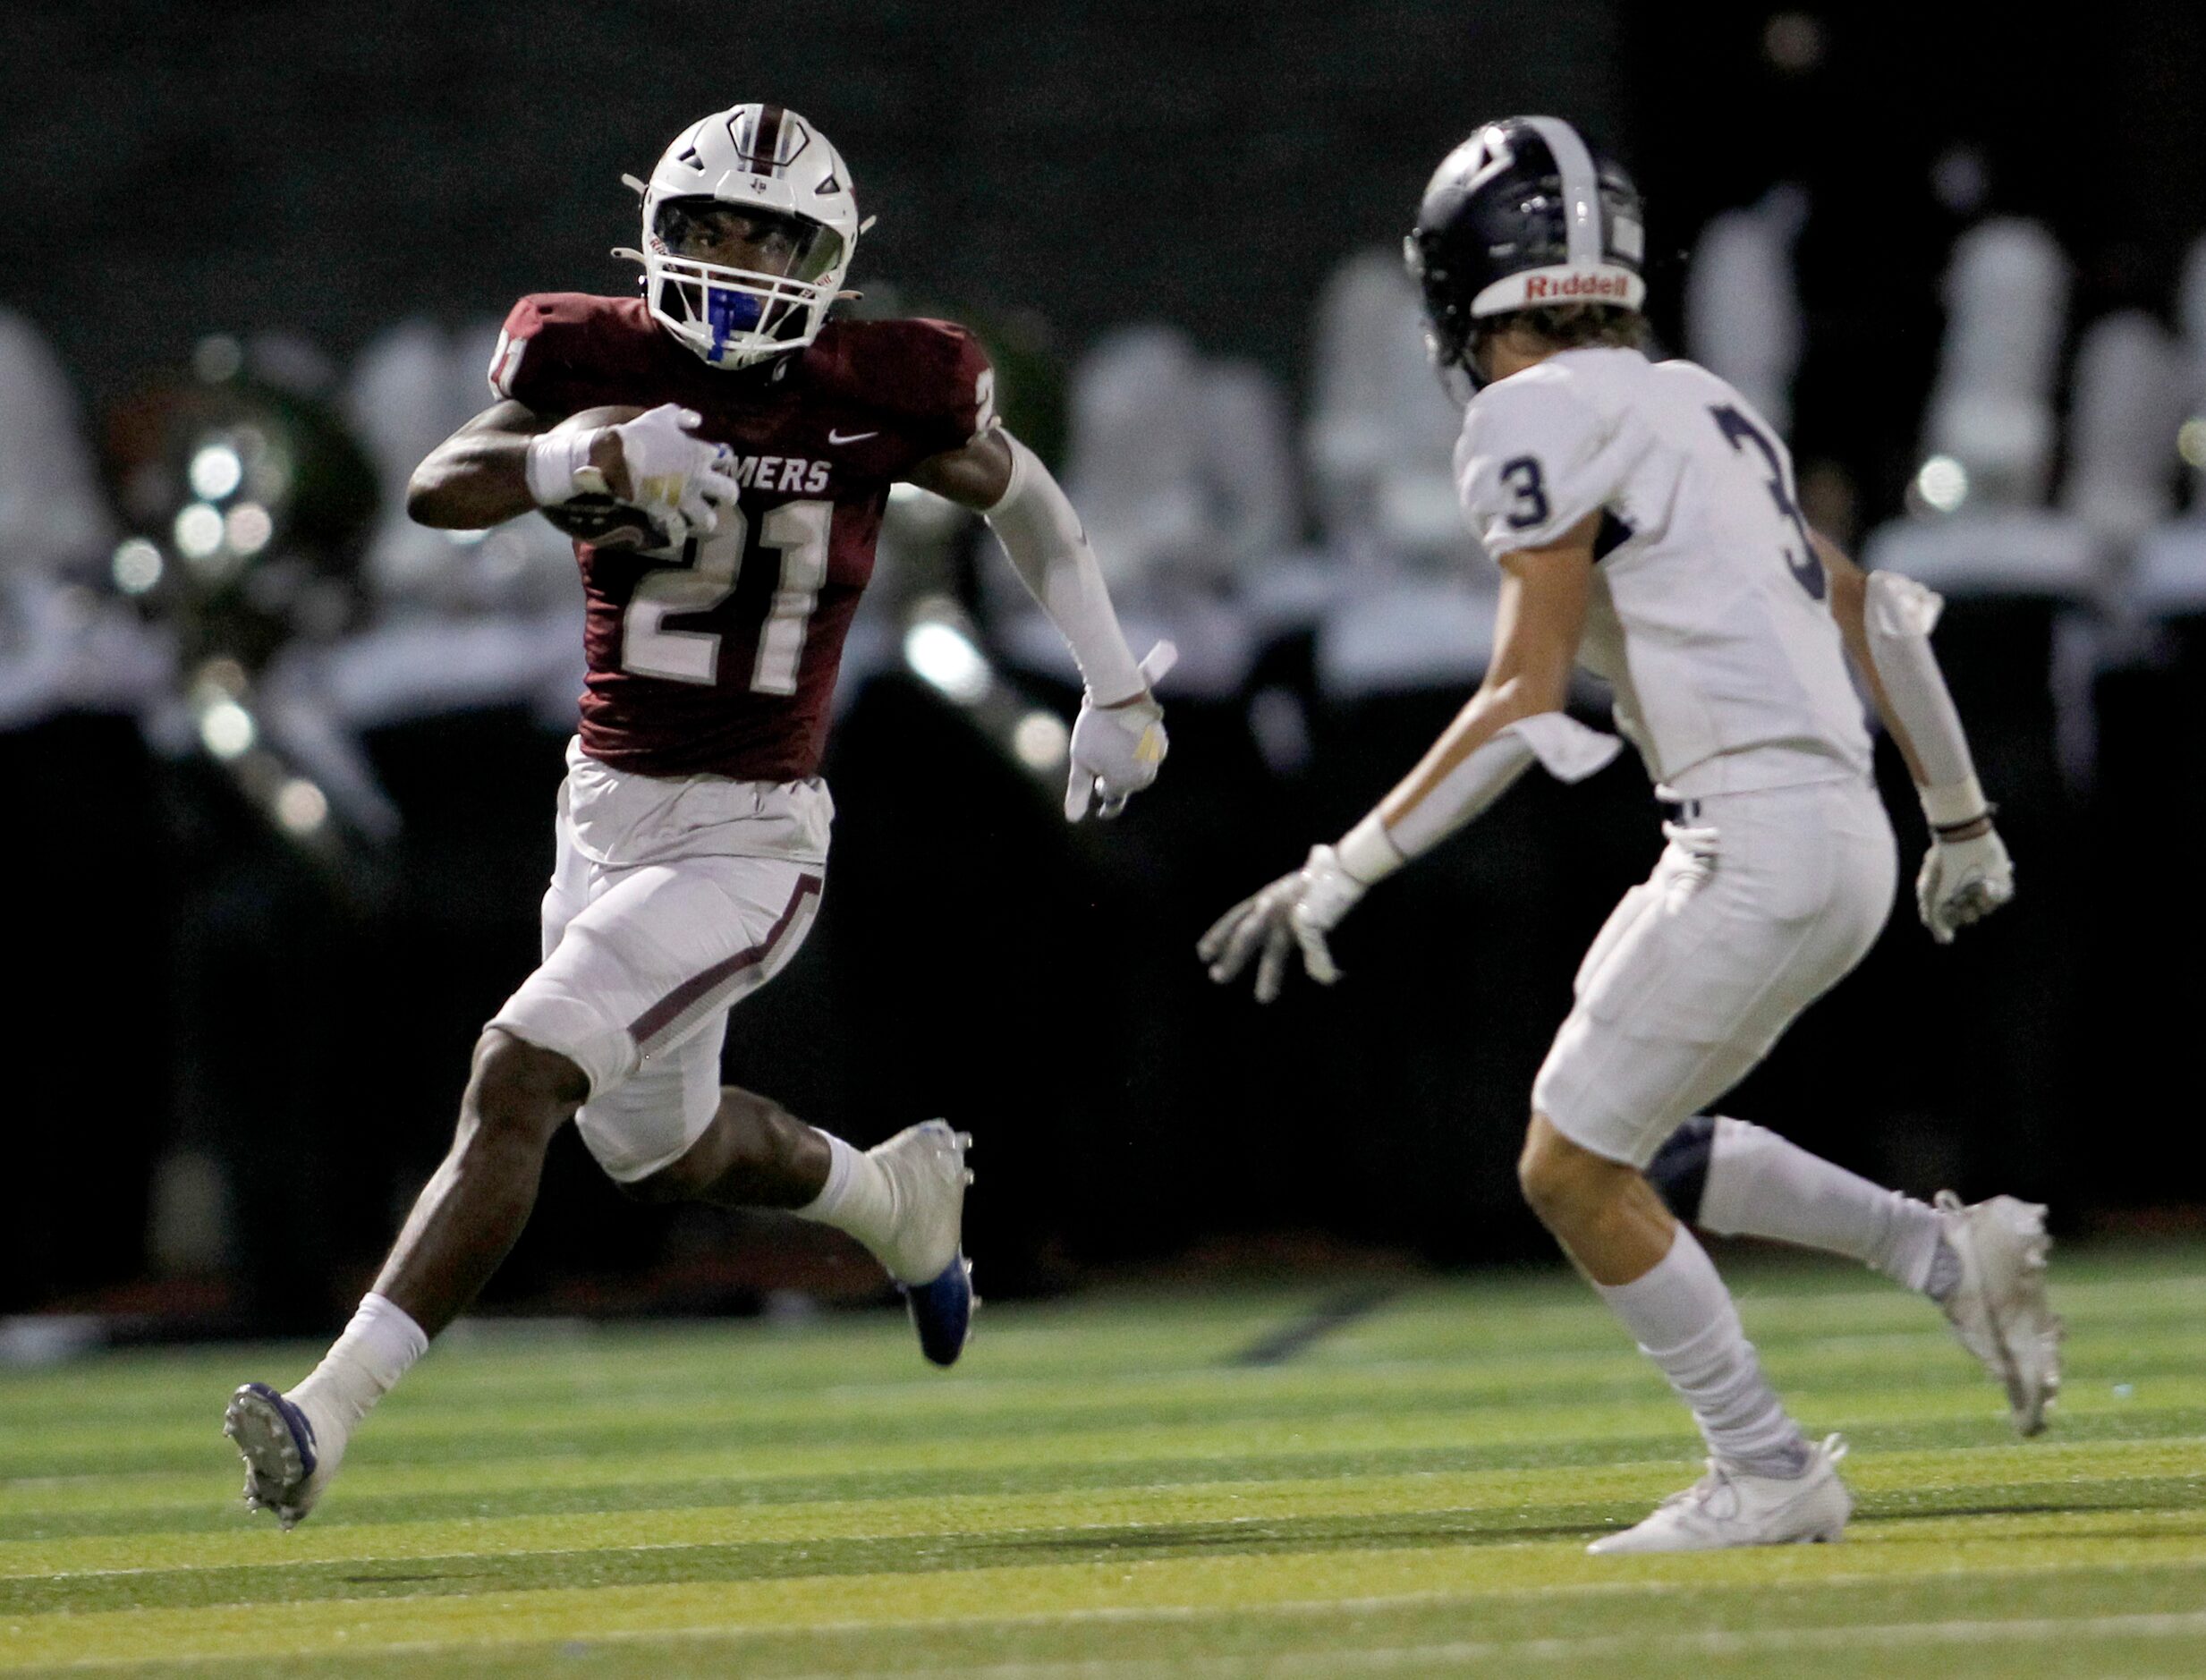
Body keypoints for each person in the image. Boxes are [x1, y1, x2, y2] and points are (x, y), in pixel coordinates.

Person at [226, 103, 1170, 1528]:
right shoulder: (594, 364)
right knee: (659, 1151)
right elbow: (434, 488)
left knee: (518, 1070)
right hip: (599, 813)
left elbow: (1017, 490)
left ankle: (326, 1411)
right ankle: (891, 1198)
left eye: (769, 234)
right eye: (710, 227)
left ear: (828, 256)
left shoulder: (875, 386)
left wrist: (1115, 684)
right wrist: (575, 466)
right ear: (655, 234)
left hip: (750, 836)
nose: (734, 259)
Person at [1201, 115, 2057, 1554]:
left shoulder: (1525, 415)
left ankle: (1768, 1465)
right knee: (1633, 1138)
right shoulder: (1698, 399)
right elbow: (1878, 613)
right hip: (1830, 830)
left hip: (1749, 840)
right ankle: (1936, 1248)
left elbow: (1519, 697)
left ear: (1457, 285)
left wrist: (1338, 868)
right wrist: (1958, 818)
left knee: (1564, 1169)